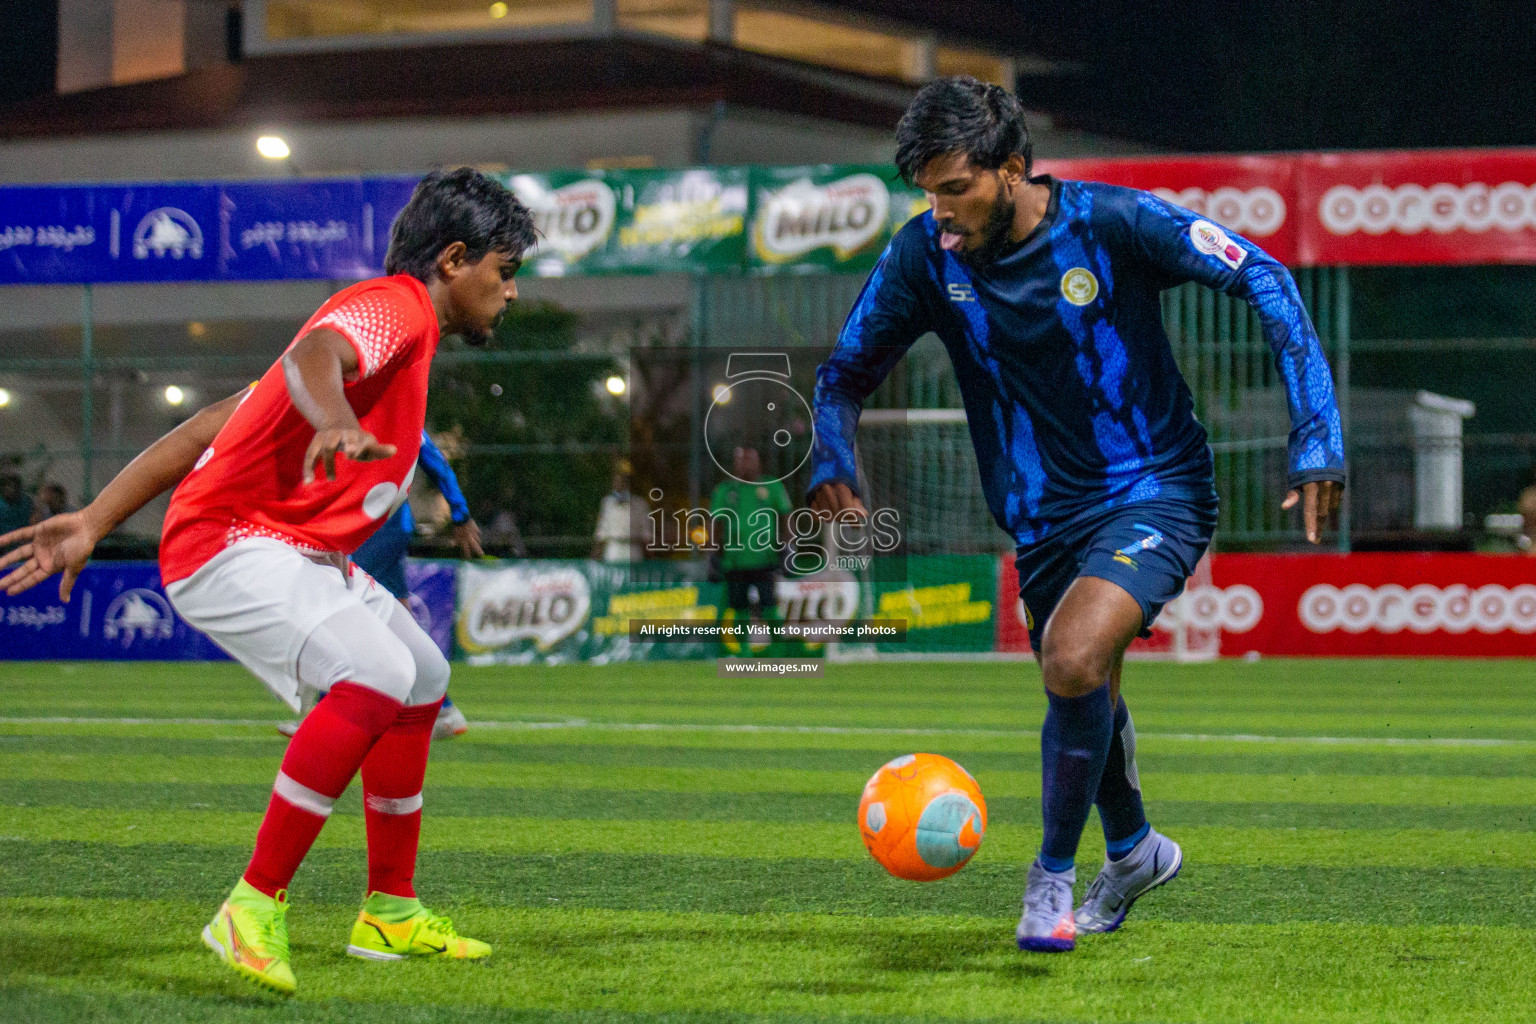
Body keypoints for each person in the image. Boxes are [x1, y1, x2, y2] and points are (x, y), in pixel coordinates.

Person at [807, 78, 1345, 954]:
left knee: (1070, 653)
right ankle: (1133, 853)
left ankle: (1048, 881)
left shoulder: (1112, 223)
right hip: (1041, 519)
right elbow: (842, 373)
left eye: (956, 189)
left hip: (1155, 487)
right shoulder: (924, 257)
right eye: (927, 193)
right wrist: (832, 454)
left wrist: (1316, 432)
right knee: (1085, 685)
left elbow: (1267, 278)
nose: (940, 215)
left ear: (1012, 169)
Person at [0, 167, 535, 994]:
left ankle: (389, 913)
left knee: (422, 677)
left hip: (292, 547)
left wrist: (97, 519)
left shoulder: (405, 333)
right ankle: (249, 906)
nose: (509, 293)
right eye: (505, 273)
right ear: (454, 260)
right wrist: (337, 420)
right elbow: (320, 355)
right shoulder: (394, 305)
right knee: (377, 674)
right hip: (231, 544)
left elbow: (221, 419)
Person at [278, 429, 482, 741]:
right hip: (374, 527)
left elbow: (435, 462)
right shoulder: (351, 410)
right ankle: (444, 710)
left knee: (339, 608)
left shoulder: (393, 409)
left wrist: (461, 514)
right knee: (398, 622)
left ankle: (325, 713)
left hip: (379, 528)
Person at [711, 446, 791, 656]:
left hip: (765, 558)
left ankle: (778, 649)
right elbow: (716, 524)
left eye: (750, 459)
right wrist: (713, 554)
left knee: (769, 605)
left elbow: (785, 517)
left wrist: (788, 547)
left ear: (758, 462)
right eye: (740, 460)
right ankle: (744, 651)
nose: (745, 464)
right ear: (734, 464)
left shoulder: (772, 486)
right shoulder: (725, 491)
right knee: (739, 609)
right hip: (734, 560)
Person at [592, 459, 647, 563]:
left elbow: (646, 536)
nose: (619, 483)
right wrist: (595, 556)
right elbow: (601, 532)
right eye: (617, 479)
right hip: (613, 552)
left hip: (633, 552)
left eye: (624, 479)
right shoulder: (607, 503)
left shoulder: (640, 504)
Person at [0, 473, 32, 538]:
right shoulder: (1, 505)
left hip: (22, 539)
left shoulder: (26, 502)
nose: (12, 490)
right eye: (7, 486)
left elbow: (33, 518)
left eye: (15, 487)